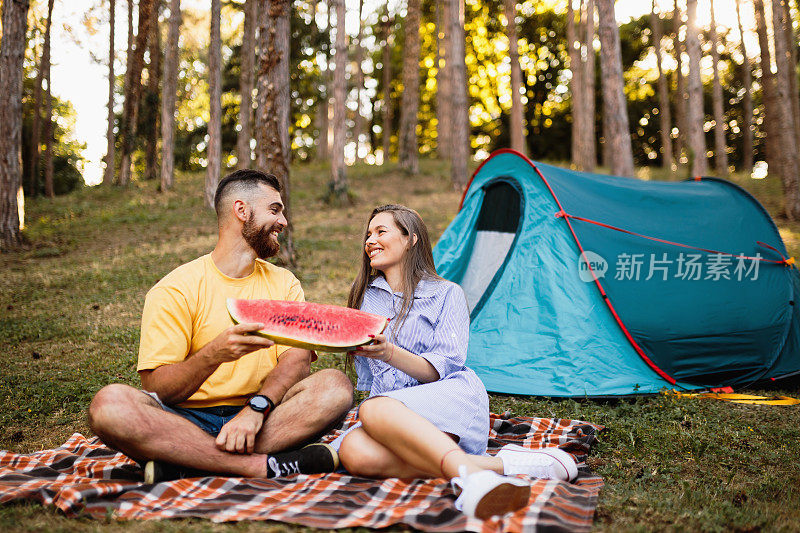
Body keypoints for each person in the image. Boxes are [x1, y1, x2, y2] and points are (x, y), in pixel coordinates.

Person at [88, 170, 353, 482]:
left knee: (335, 385)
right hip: (184, 420)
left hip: (266, 416)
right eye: (274, 210)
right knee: (108, 405)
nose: (283, 222)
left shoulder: (284, 282)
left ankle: (187, 462)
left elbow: (296, 360)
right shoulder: (176, 288)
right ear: (241, 211)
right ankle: (258, 466)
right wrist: (214, 355)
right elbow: (158, 388)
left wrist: (256, 409)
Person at [335, 205, 578, 520]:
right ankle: (502, 467)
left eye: (381, 231)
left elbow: (441, 368)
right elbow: (371, 379)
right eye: (368, 234)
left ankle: (473, 481)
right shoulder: (364, 297)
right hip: (393, 413)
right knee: (355, 453)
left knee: (374, 408)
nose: (370, 240)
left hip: (447, 396)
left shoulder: (447, 293)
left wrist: (388, 352)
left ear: (411, 239)